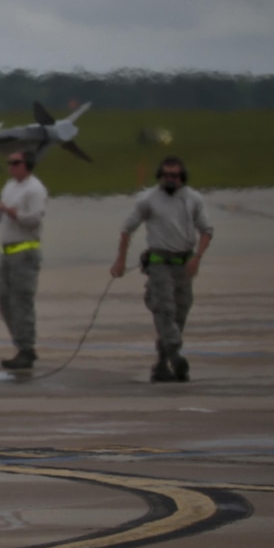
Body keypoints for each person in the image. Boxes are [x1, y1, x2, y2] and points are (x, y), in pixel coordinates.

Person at [111, 156, 214, 382]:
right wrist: (120, 260)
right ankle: (176, 355)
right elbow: (127, 230)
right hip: (159, 263)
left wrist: (197, 258)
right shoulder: (148, 200)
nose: (170, 179)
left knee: (180, 312)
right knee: (164, 308)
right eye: (166, 175)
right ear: (160, 175)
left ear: (182, 177)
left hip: (184, 264)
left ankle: (161, 364)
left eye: (174, 176)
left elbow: (207, 231)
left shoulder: (194, 199)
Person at [0, 152, 48, 370]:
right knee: (3, 298)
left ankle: (26, 348)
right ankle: (21, 344)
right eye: (9, 163)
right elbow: (4, 219)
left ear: (27, 165)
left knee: (21, 301)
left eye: (15, 163)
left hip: (25, 252)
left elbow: (33, 220)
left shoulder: (35, 189)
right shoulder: (9, 187)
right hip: (7, 252)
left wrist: (11, 212)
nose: (11, 167)